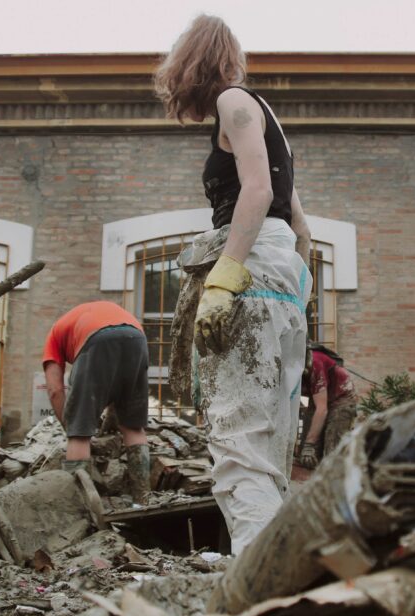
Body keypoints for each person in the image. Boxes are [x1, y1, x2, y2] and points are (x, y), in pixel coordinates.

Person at [156, 14, 313, 553]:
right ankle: (285, 577)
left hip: (252, 275)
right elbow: (303, 232)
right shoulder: (272, 125)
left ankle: (263, 592)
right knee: (269, 451)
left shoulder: (234, 101)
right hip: (283, 284)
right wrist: (296, 300)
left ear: (192, 65)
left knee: (238, 446)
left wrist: (225, 276)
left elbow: (255, 192)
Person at [42, 301, 151, 503]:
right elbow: (115, 384)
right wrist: (112, 416)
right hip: (137, 336)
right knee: (133, 428)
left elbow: (55, 390)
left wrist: (71, 426)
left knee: (79, 435)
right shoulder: (94, 315)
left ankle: (81, 506)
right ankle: (143, 499)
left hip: (95, 339)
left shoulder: (54, 336)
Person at [298, 347, 357, 469]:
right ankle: (310, 482)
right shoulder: (288, 368)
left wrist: (309, 444)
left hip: (341, 400)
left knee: (332, 453)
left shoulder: (314, 363)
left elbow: (322, 408)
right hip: (317, 401)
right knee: (305, 456)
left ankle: (334, 482)